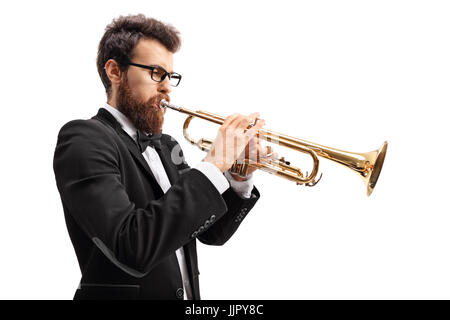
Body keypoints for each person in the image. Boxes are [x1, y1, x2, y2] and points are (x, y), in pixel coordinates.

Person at [53, 14, 268, 300]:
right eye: (156, 73)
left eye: (170, 76)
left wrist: (239, 175)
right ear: (115, 71)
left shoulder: (167, 146)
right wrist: (214, 163)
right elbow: (131, 246)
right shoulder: (83, 138)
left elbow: (210, 233)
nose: (167, 87)